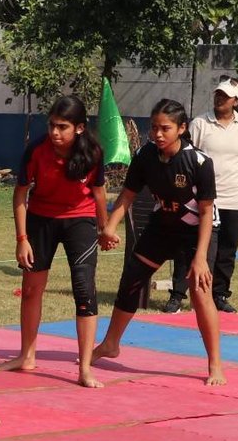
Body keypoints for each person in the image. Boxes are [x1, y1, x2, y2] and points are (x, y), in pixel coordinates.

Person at [93, 99, 225, 385]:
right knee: (132, 277)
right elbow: (127, 196)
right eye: (154, 127)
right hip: (163, 225)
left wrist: (200, 258)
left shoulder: (199, 162)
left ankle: (215, 364)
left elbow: (206, 212)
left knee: (200, 292)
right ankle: (110, 344)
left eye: (165, 128)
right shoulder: (145, 155)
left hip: (198, 231)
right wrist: (109, 228)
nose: (158, 134)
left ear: (181, 129)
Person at [0, 95, 113, 387]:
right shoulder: (36, 149)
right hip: (41, 219)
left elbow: (99, 193)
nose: (54, 132)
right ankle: (26, 355)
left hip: (80, 220)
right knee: (31, 289)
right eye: (51, 125)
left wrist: (104, 228)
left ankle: (85, 368)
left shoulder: (93, 153)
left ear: (79, 128)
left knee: (84, 290)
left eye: (62, 127)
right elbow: (20, 194)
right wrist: (22, 239)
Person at [163, 76, 238, 314]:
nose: (220, 99)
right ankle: (177, 295)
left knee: (227, 250)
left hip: (235, 197)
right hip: (202, 198)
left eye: (225, 96)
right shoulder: (200, 123)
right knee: (188, 247)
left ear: (236, 101)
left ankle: (219, 295)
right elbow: (185, 151)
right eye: (218, 94)